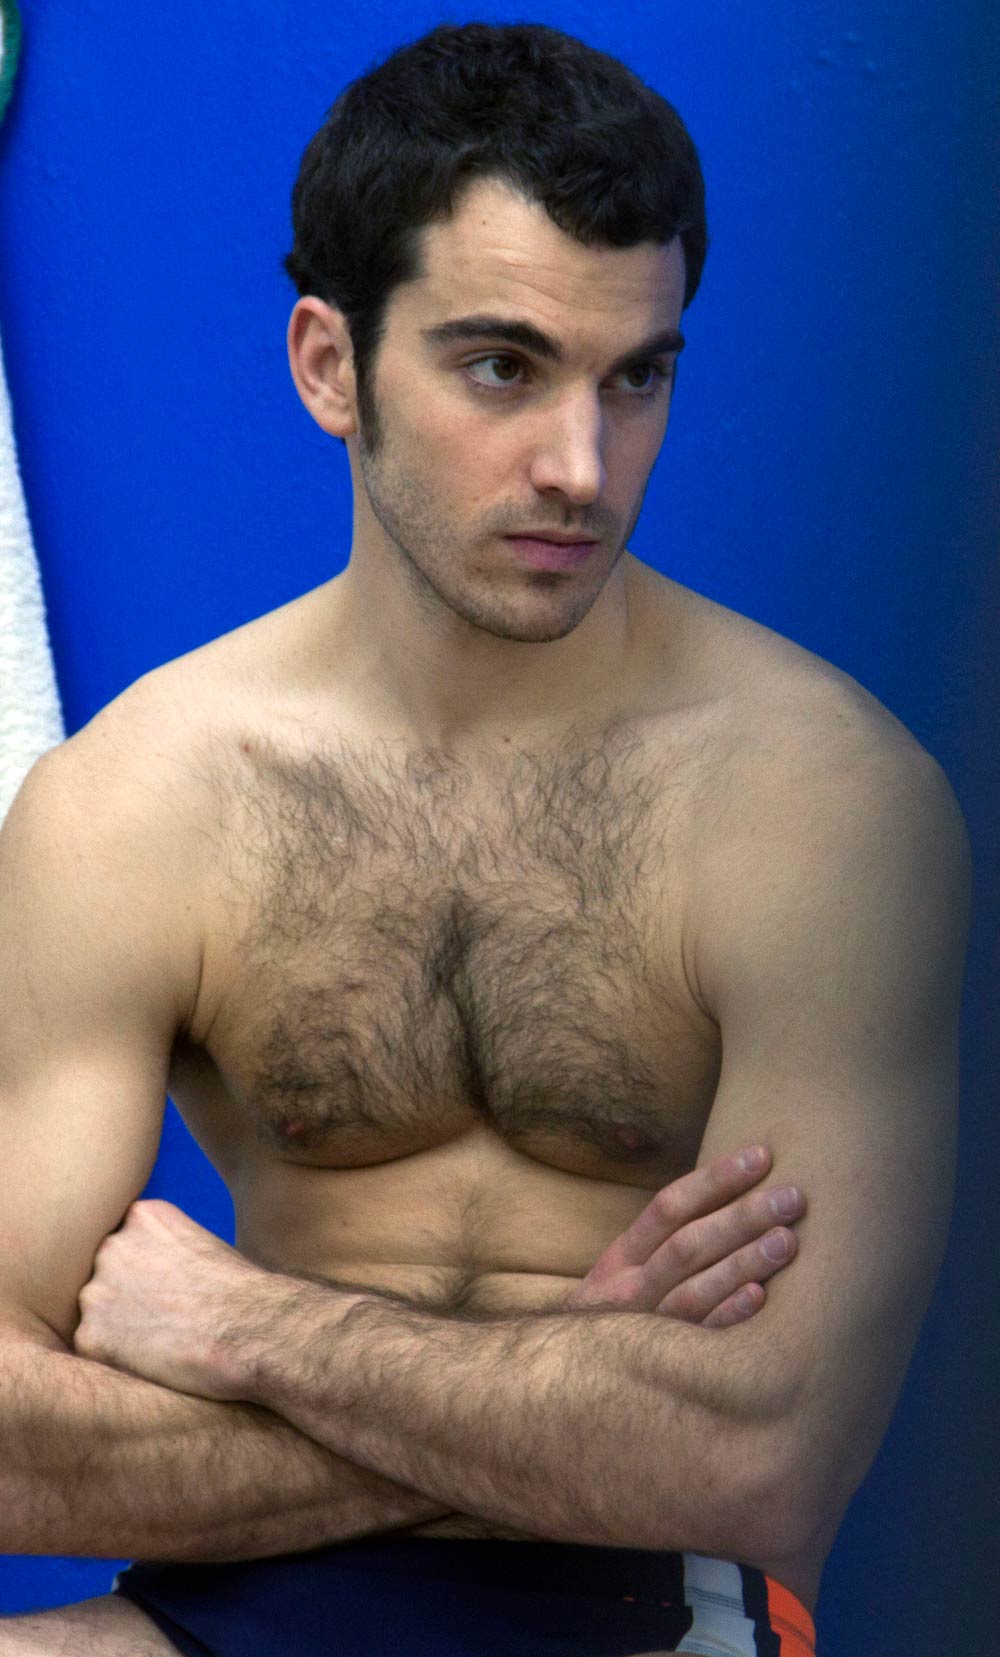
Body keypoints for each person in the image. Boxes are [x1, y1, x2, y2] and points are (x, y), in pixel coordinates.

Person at [0, 20, 970, 1657]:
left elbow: (758, 1463)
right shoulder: (139, 799)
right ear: (331, 365)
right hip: (226, 1600)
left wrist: (253, 1329)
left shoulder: (825, 806)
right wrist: (562, 1404)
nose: (582, 467)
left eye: (636, 376)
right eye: (504, 367)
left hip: (642, 1603)